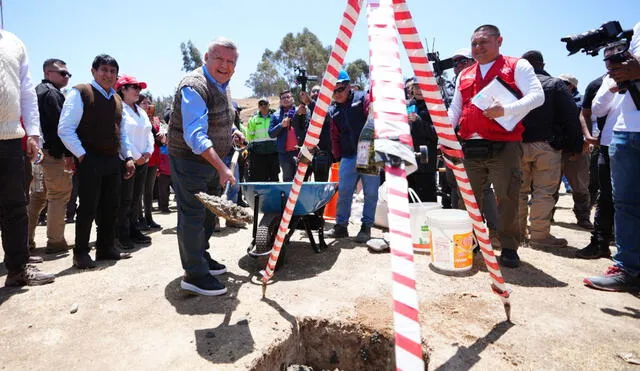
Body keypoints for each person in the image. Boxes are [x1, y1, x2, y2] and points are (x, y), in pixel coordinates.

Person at [448, 25, 544, 268]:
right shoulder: (465, 74)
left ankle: (509, 247)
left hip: (505, 145)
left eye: (483, 42)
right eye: (474, 44)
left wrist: (506, 110)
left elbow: (537, 96)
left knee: (508, 196)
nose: (478, 48)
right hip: (470, 145)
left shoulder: (517, 65)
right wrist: (446, 136)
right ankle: (471, 242)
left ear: (499, 41)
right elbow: (456, 108)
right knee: (467, 198)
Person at [168, 37, 245, 296]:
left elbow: (222, 117)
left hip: (213, 160)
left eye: (230, 61)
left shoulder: (223, 84)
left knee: (210, 213)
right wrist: (223, 168)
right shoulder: (194, 86)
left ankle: (202, 256)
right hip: (189, 161)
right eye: (219, 59)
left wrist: (233, 131)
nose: (225, 65)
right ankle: (195, 275)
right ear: (205, 58)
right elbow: (195, 136)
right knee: (193, 214)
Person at [58, 54, 135, 269]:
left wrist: (127, 157)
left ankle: (106, 248)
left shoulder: (117, 100)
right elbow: (65, 129)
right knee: (88, 207)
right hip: (90, 159)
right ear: (93, 71)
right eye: (104, 70)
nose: (108, 75)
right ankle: (81, 253)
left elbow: (122, 134)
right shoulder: (81, 92)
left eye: (112, 71)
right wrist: (82, 155)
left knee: (111, 206)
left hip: (112, 160)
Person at [584, 21, 640, 292]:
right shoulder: (637, 29)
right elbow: (597, 108)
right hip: (624, 132)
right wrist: (617, 81)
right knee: (625, 204)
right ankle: (628, 268)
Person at [1, 30, 55, 286]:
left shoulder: (14, 43)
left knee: (15, 206)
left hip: (10, 137)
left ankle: (18, 269)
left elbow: (25, 91)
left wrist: (33, 133)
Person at [519, 51, 582, 248]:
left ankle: (518, 233)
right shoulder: (556, 84)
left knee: (518, 192)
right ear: (543, 63)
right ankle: (539, 235)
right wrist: (575, 146)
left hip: (518, 145)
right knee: (544, 192)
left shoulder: (516, 85)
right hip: (547, 146)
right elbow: (571, 117)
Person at [27, 58, 74, 255]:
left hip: (37, 154)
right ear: (48, 73)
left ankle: (25, 241)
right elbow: (59, 129)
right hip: (52, 154)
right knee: (59, 195)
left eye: (68, 74)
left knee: (38, 197)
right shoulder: (51, 93)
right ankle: (55, 242)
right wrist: (68, 153)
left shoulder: (36, 92)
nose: (67, 77)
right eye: (62, 73)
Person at [326, 70, 379, 243]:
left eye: (340, 89)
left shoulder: (363, 98)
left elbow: (373, 120)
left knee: (370, 192)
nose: (337, 94)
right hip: (348, 156)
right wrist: (337, 156)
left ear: (348, 86)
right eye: (333, 91)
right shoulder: (333, 110)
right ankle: (341, 226)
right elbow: (334, 135)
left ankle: (366, 227)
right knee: (344, 191)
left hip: (368, 152)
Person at [576, 75, 614, 259]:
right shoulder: (598, 84)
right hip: (605, 145)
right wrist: (587, 135)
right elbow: (585, 112)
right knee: (605, 193)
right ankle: (600, 242)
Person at [114, 75, 154, 249]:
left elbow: (149, 134)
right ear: (122, 89)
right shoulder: (120, 109)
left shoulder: (141, 111)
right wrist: (136, 156)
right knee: (125, 199)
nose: (138, 90)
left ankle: (133, 228)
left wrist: (148, 152)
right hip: (127, 160)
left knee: (136, 197)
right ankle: (121, 234)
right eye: (134, 87)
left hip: (143, 160)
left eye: (139, 87)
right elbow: (123, 136)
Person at [557, 74, 593, 229]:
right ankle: (547, 216)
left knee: (580, 185)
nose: (559, 85)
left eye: (563, 83)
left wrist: (587, 142)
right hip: (556, 148)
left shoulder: (582, 101)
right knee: (550, 185)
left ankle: (583, 216)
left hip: (577, 149)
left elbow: (590, 120)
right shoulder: (554, 99)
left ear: (571, 86)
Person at [406, 81, 438, 202]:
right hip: (408, 160)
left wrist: (418, 120)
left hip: (426, 162)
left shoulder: (434, 106)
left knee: (427, 198)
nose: (419, 90)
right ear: (412, 89)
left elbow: (436, 133)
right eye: (416, 87)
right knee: (410, 198)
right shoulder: (407, 104)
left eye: (422, 86)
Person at [268, 90, 308, 181]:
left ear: (293, 99)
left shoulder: (302, 110)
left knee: (302, 180)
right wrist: (281, 125)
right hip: (284, 154)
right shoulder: (275, 115)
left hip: (301, 152)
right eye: (283, 98)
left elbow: (307, 127)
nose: (286, 99)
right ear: (280, 101)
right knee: (287, 180)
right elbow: (271, 134)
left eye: (288, 97)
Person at [138, 94, 164, 230]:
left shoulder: (155, 120)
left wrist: (162, 137)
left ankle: (149, 217)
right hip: (140, 158)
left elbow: (159, 141)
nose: (147, 106)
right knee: (138, 192)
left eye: (148, 103)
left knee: (148, 191)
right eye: (143, 103)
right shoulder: (136, 118)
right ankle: (139, 218)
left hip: (153, 158)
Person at [300, 85, 333, 181]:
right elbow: (297, 128)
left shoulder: (330, 108)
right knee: (301, 183)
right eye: (313, 91)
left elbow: (324, 116)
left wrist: (310, 102)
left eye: (318, 91)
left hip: (322, 153)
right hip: (306, 152)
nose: (315, 93)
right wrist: (297, 115)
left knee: (320, 185)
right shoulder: (305, 110)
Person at [246, 97, 279, 181]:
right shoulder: (253, 119)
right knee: (259, 177)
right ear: (258, 106)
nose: (263, 106)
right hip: (258, 153)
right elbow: (249, 136)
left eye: (265, 103)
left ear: (269, 105)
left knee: (274, 177)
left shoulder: (274, 117)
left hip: (273, 152)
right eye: (261, 104)